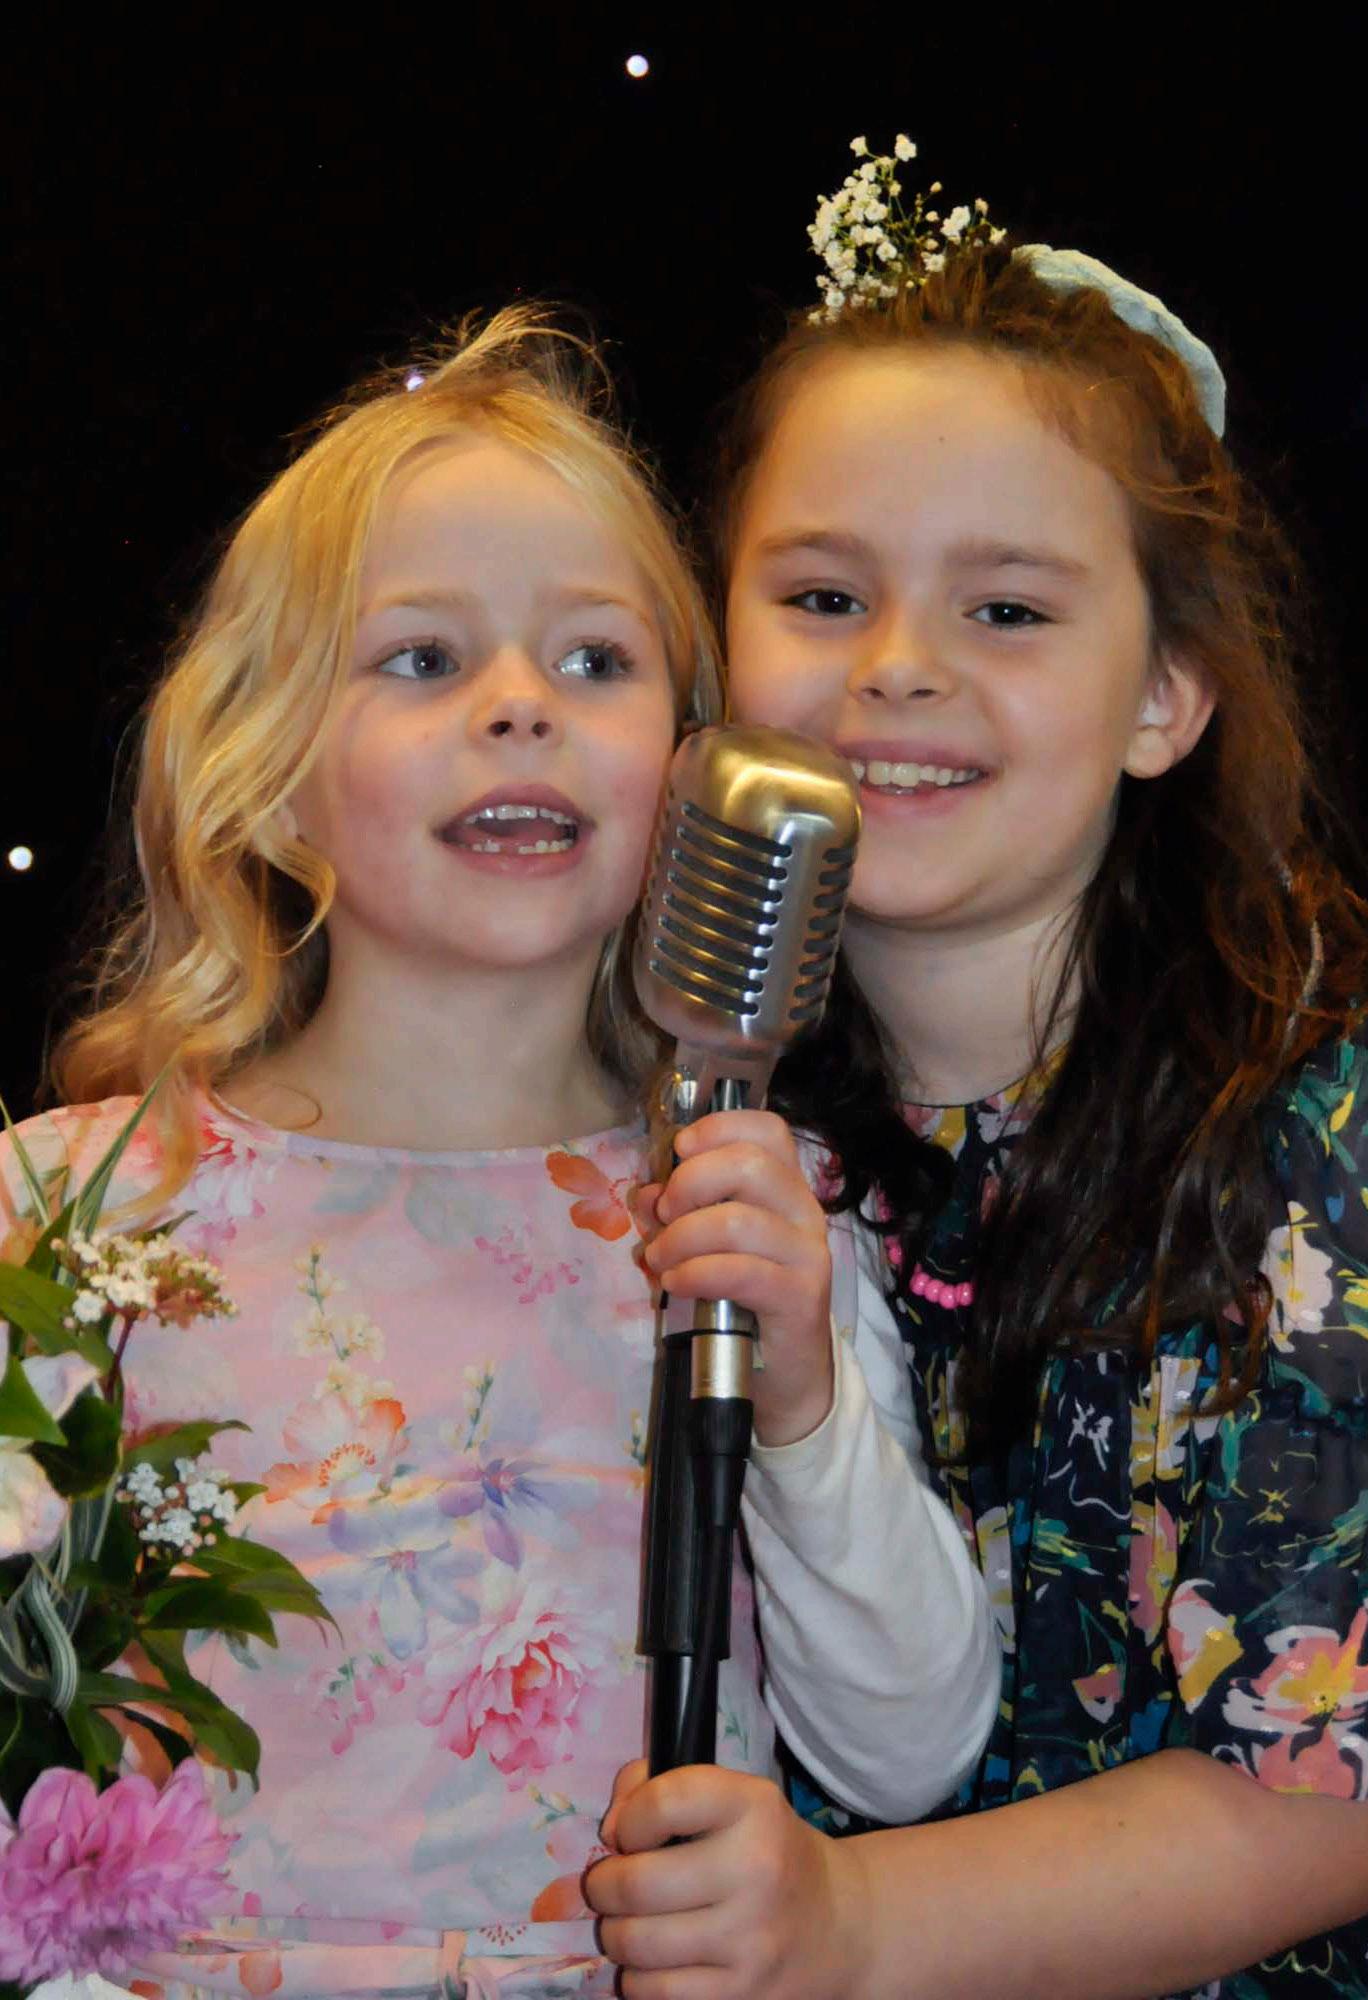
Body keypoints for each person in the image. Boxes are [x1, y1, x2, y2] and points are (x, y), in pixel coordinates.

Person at [0, 309, 997, 1998]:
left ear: (693, 774)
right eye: (422, 659)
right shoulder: (65, 1214)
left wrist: (804, 1405)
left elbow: (906, 1757)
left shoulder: (754, 1217)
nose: (522, 706)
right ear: (266, 774)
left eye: (595, 661)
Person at [586, 142, 1368, 1997]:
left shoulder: (1339, 1134)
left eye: (1007, 611)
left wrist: (855, 1923)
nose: (895, 669)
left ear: (1163, 697)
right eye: (820, 596)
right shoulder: (697, 1126)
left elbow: (1333, 1786)